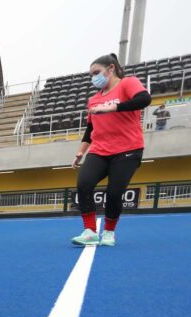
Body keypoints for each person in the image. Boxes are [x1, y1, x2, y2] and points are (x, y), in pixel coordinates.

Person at [71, 53, 151, 247]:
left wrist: (113, 108)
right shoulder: (93, 100)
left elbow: (144, 99)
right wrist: (80, 152)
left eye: (96, 72)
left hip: (128, 149)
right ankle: (90, 231)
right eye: (91, 75)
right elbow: (90, 130)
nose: (93, 78)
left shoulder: (127, 83)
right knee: (83, 183)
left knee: (114, 193)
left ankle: (108, 232)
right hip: (99, 150)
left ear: (111, 69)